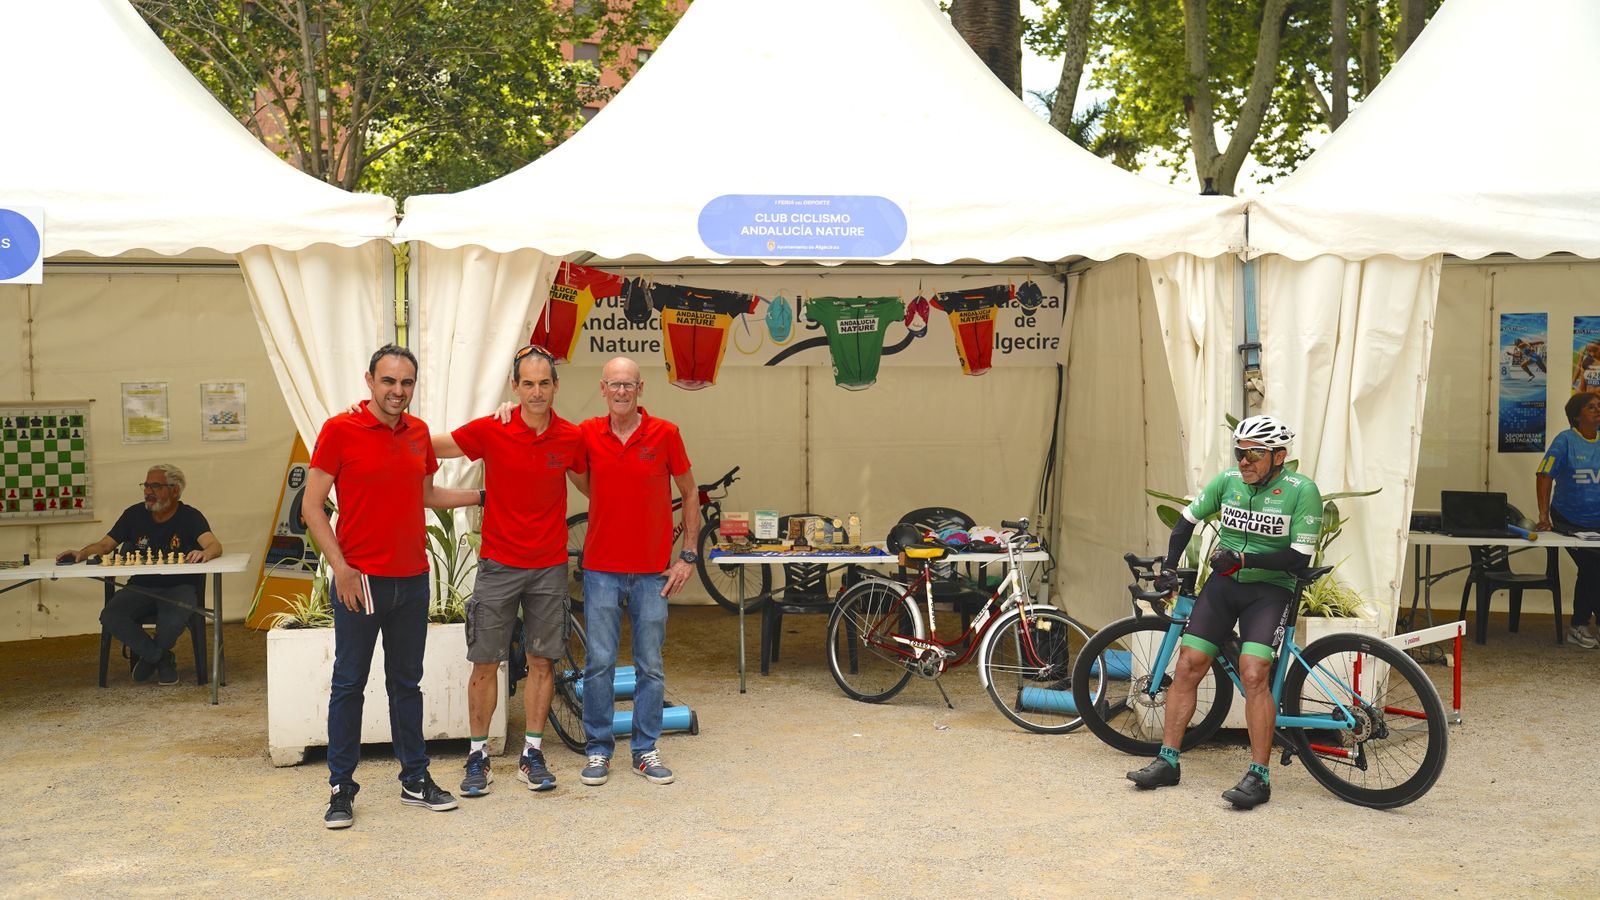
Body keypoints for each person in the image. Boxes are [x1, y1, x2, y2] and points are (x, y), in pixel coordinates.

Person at [302, 344, 481, 830]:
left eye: (406, 383)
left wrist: (484, 495)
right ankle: (341, 788)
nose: (397, 391)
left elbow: (427, 495)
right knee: (349, 683)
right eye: (388, 381)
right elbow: (312, 506)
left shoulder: (419, 433)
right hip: (360, 580)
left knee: (406, 684)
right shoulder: (339, 430)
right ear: (369, 380)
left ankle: (415, 779)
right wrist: (340, 568)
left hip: (412, 580)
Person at [1128, 415, 1323, 809]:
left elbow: (1300, 556)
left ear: (1279, 456)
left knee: (1254, 673)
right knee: (1189, 664)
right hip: (1223, 586)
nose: (1244, 461)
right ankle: (1167, 761)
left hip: (1271, 589)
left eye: (1255, 454)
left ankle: (1259, 776)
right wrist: (1169, 568)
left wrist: (1244, 559)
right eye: (1239, 453)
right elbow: (1185, 522)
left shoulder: (1302, 491)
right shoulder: (1228, 482)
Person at [440, 344, 586, 797]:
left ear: (556, 385)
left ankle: (532, 755)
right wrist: (376, 416)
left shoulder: (571, 437)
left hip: (547, 567)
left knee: (543, 661)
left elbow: (597, 484)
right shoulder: (492, 428)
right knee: (485, 662)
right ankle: (477, 756)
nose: (536, 392)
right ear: (515, 387)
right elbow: (427, 445)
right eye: (528, 384)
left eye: (544, 383)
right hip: (499, 565)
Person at [573, 356, 698, 787]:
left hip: (651, 572)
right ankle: (598, 749)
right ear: (602, 388)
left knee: (650, 665)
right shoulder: (587, 433)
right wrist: (506, 410)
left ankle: (645, 750)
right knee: (599, 664)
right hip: (601, 569)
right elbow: (549, 441)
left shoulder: (665, 433)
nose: (622, 391)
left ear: (641, 388)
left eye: (629, 384)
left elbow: (689, 492)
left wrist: (687, 556)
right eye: (614, 384)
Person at [57, 464, 223, 686]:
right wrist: (82, 553)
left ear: (175, 490)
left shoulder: (190, 516)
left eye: (155, 486)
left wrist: (204, 553)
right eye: (146, 485)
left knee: (171, 622)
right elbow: (105, 546)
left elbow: (214, 545)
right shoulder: (133, 514)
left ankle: (151, 657)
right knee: (110, 616)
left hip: (179, 587)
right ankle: (161, 659)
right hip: (140, 586)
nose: (148, 492)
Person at [1535, 392, 1600, 648]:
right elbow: (1544, 475)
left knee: (1591, 568)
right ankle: (1580, 625)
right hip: (1568, 521)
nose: (1598, 410)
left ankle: (1579, 625)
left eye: (1599, 406)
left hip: (1597, 522)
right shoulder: (1565, 441)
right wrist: (1543, 516)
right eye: (1591, 407)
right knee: (1592, 566)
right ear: (1576, 415)